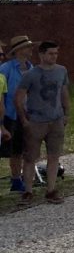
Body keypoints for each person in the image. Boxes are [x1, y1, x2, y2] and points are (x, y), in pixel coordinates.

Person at [15, 41, 70, 204]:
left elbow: (64, 92)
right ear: (42, 55)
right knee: (31, 157)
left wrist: (67, 113)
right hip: (36, 121)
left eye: (56, 53)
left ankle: (51, 190)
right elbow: (18, 98)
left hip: (56, 119)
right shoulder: (30, 75)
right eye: (50, 53)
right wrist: (24, 120)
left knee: (54, 156)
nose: (54, 56)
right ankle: (28, 191)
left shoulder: (62, 71)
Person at [0, 35, 34, 193]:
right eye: (28, 47)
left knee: (21, 149)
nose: (31, 49)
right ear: (20, 50)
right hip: (9, 114)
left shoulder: (31, 68)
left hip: (26, 114)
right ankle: (15, 178)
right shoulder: (6, 69)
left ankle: (17, 179)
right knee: (10, 149)